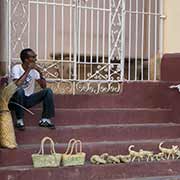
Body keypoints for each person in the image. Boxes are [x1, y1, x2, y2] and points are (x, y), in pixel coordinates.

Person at [8, 48, 55, 130]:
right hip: (15, 100)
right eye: (33, 57)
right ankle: (19, 120)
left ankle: (45, 120)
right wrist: (28, 70)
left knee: (48, 91)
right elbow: (17, 85)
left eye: (35, 57)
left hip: (27, 100)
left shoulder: (34, 71)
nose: (35, 59)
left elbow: (43, 86)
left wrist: (40, 72)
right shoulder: (16, 68)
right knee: (20, 90)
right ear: (26, 59)